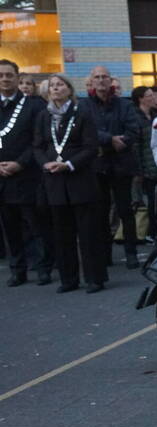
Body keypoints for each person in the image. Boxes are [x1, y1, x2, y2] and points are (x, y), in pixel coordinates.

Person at [34, 74, 107, 293]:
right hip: (55, 183)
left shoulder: (82, 113)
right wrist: (46, 164)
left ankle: (95, 278)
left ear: (69, 89)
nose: (55, 88)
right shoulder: (43, 116)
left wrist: (69, 164)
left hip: (79, 180)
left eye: (60, 85)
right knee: (62, 233)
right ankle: (69, 279)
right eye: (52, 86)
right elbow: (37, 146)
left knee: (88, 233)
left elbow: (91, 147)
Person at [79, 65, 141, 268]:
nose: (101, 80)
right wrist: (110, 139)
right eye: (97, 77)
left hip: (122, 166)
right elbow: (86, 132)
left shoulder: (125, 105)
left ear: (110, 80)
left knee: (126, 211)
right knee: (100, 212)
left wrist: (113, 141)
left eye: (104, 77)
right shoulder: (84, 106)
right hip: (97, 167)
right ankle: (104, 254)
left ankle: (131, 253)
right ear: (91, 81)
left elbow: (133, 130)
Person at [0, 59, 51, 286]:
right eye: (0, 75)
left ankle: (43, 268)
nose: (4, 79)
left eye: (9, 75)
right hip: (2, 179)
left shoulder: (34, 105)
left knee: (36, 226)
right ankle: (17, 270)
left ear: (17, 77)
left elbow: (38, 140)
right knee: (9, 229)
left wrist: (20, 163)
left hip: (28, 176)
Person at [130, 85, 157, 240]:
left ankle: (153, 230)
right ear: (140, 99)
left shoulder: (156, 115)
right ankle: (149, 231)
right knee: (148, 200)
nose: (153, 97)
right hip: (144, 165)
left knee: (156, 199)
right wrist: (138, 170)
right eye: (149, 95)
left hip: (156, 163)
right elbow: (135, 146)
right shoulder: (135, 117)